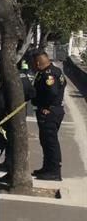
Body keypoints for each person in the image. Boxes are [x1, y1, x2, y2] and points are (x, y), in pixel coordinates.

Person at [31, 50, 66, 181]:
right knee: (45, 141)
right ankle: (47, 168)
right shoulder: (54, 71)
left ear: (38, 62)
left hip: (50, 112)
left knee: (50, 142)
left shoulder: (49, 75)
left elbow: (52, 92)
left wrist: (46, 106)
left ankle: (54, 171)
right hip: (53, 110)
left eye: (34, 63)